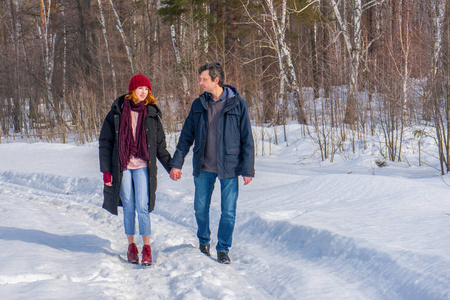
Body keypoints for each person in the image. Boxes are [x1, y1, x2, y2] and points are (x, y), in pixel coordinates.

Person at [169, 62, 255, 264]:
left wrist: (248, 169)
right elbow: (186, 137)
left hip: (230, 167)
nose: (200, 83)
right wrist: (176, 163)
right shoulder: (198, 105)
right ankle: (204, 241)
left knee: (229, 211)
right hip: (203, 166)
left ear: (216, 80)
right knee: (200, 208)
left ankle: (223, 248)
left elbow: (247, 139)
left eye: (204, 79)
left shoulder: (238, 103)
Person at [99, 74, 172, 266]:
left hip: (142, 166)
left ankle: (146, 248)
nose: (143, 92)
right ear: (132, 90)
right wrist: (107, 171)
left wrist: (171, 167)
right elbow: (105, 143)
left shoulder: (151, 115)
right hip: (122, 166)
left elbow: (160, 146)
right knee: (129, 206)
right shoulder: (117, 112)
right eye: (140, 88)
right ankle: (131, 246)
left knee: (142, 206)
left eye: (146, 89)